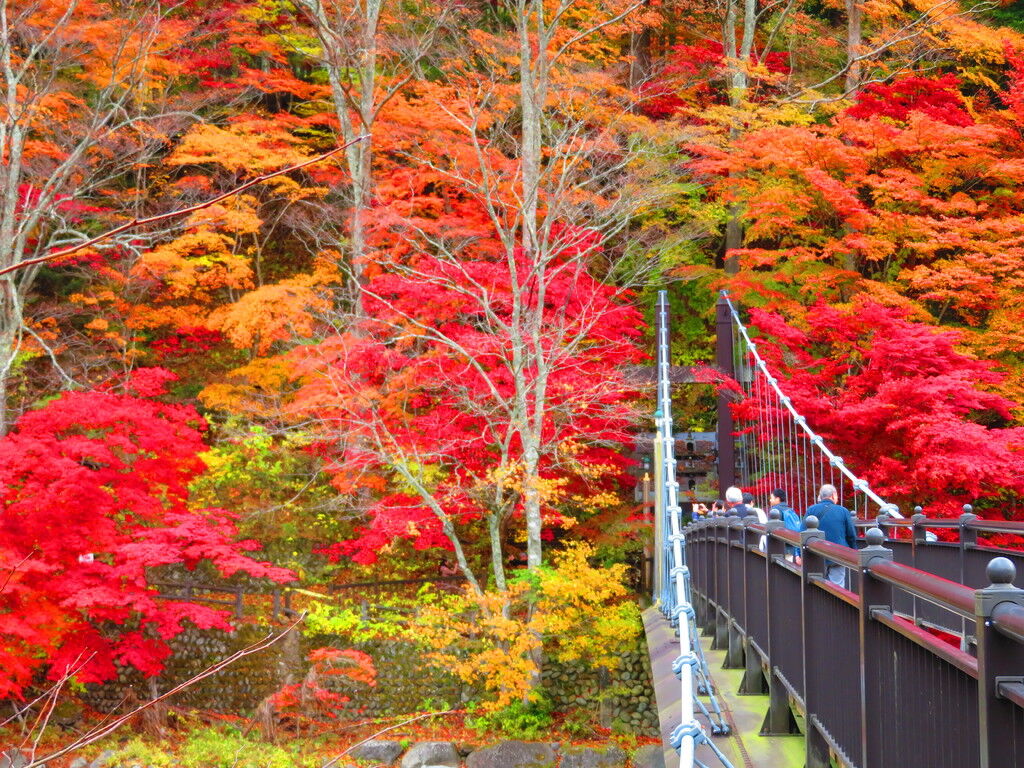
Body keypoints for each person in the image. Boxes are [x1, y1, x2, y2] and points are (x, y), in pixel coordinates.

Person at [802, 483, 856, 587]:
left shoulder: (811, 510)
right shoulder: (843, 511)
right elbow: (851, 535)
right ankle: (837, 603)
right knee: (837, 587)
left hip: (816, 555)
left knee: (817, 584)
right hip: (838, 555)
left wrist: (799, 554)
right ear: (833, 495)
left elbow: (802, 531)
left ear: (820, 496)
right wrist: (854, 553)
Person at [770, 489, 801, 562]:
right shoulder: (789, 509)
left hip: (780, 548)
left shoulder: (775, 510)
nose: (770, 500)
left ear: (777, 499)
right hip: (792, 545)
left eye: (771, 498)